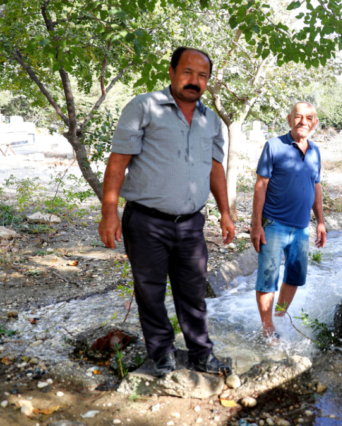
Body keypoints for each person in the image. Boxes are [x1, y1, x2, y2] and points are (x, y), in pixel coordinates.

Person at [98, 47, 235, 377]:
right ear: (172, 71)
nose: (194, 81)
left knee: (193, 292)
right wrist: (109, 213)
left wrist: (225, 213)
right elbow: (118, 162)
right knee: (150, 292)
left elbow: (216, 169)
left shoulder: (211, 119)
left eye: (202, 76)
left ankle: (201, 353)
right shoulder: (143, 107)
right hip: (146, 221)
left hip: (191, 225)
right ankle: (161, 355)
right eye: (187, 72)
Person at [250, 102, 326, 337]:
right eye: (298, 117)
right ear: (289, 118)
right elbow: (260, 185)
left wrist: (321, 221)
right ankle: (267, 327)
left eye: (309, 118)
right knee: (268, 278)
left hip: (302, 228)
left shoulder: (314, 151)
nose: (304, 122)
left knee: (294, 277)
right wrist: (256, 225)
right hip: (273, 224)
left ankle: (279, 318)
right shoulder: (274, 146)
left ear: (315, 122)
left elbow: (316, 186)